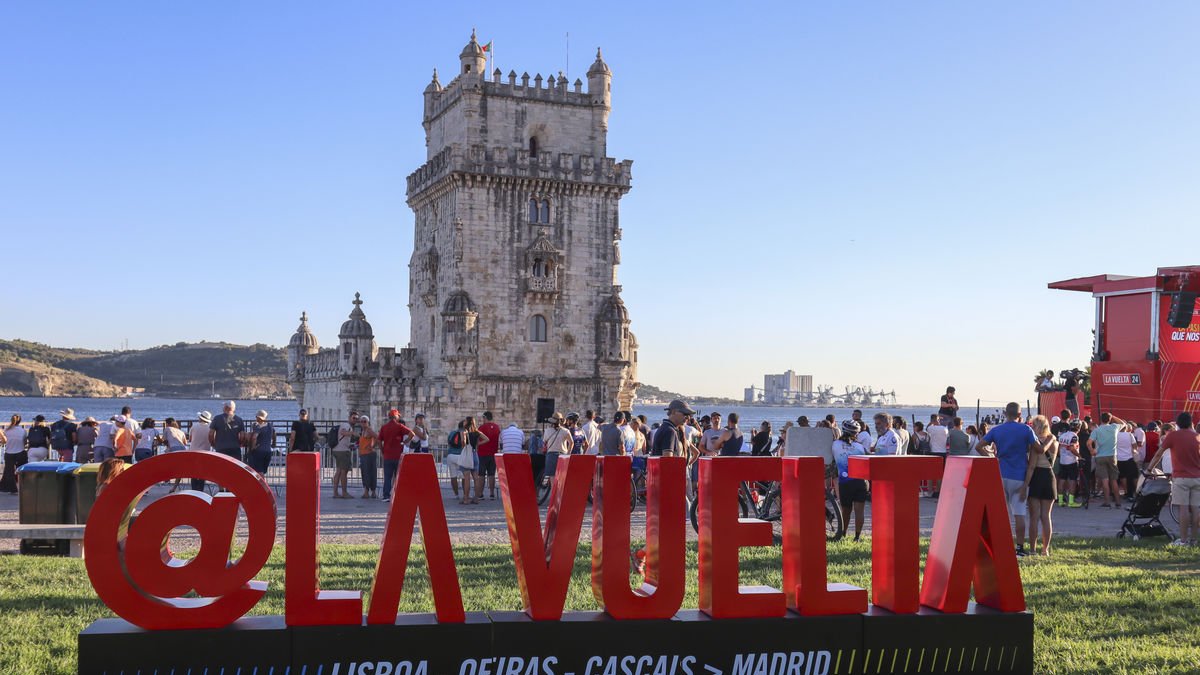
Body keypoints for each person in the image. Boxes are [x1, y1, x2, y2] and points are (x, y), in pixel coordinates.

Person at [983, 402, 1040, 557]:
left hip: (1001, 474)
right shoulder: (1025, 429)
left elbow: (979, 446)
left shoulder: (997, 430)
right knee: (1019, 513)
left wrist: (993, 459)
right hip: (1020, 476)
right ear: (1020, 415)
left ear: (1004, 413)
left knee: (999, 513)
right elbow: (1039, 448)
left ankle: (997, 545)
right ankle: (1020, 548)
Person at [1146, 412, 1200, 546]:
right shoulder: (1197, 437)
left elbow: (1159, 454)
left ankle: (1183, 540)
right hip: (1197, 477)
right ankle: (1194, 539)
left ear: (1178, 423)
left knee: (1183, 508)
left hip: (1181, 477)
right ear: (1190, 422)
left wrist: (1149, 469)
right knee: (1195, 508)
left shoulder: (1173, 436)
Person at [1025, 415, 1059, 556]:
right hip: (1049, 476)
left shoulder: (1036, 444)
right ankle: (1045, 549)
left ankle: (1033, 549)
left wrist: (1025, 485)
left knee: (1034, 516)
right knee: (1046, 516)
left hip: (1037, 476)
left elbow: (1031, 466)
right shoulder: (1054, 442)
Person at [833, 420, 869, 541]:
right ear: (856, 433)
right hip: (861, 482)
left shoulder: (835, 445)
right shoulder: (860, 447)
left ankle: (842, 534)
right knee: (860, 511)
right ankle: (857, 537)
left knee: (846, 510)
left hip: (845, 482)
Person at [1087, 412, 1125, 508]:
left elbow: (1088, 443)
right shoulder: (1114, 427)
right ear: (1110, 419)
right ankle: (1118, 502)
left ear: (1101, 419)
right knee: (1114, 480)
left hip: (1100, 456)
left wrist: (1092, 451)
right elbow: (1124, 424)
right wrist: (1113, 416)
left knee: (1104, 479)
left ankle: (1107, 502)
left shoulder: (1097, 430)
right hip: (1112, 456)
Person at [378, 409, 414, 502]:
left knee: (387, 477)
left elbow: (379, 440)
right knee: (398, 476)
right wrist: (404, 442)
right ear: (396, 416)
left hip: (387, 456)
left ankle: (386, 496)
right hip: (398, 456)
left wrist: (382, 451)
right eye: (398, 416)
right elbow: (412, 434)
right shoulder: (399, 426)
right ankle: (398, 495)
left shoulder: (384, 427)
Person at [330, 411, 360, 499]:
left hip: (337, 449)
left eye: (356, 419)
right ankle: (344, 492)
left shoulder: (346, 425)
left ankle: (335, 492)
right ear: (349, 418)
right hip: (342, 452)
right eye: (354, 418)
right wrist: (353, 433)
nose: (355, 420)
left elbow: (342, 437)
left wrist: (350, 444)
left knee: (338, 471)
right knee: (344, 472)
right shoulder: (346, 425)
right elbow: (343, 432)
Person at [461, 416, 490, 505]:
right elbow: (487, 439)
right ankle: (476, 498)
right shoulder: (477, 432)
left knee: (467, 478)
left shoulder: (464, 431)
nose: (464, 422)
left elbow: (463, 443)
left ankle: (466, 498)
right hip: (475, 454)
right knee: (476, 478)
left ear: (468, 422)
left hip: (467, 455)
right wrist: (478, 444)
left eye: (465, 420)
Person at [1056, 420, 1081, 507]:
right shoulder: (1074, 436)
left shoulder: (1062, 435)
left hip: (1063, 461)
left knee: (1062, 480)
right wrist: (1080, 456)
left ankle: (1060, 501)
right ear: (1078, 427)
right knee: (1072, 481)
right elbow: (1072, 448)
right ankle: (1071, 502)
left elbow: (1059, 448)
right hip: (1071, 461)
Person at [477, 411, 501, 500]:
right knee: (491, 475)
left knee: (481, 475)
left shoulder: (481, 428)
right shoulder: (497, 427)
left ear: (485, 417)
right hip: (493, 454)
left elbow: (478, 439)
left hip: (482, 454)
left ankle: (480, 494)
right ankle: (491, 494)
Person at [187, 411, 213, 493]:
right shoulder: (210, 428)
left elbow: (190, 439)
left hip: (193, 452)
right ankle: (200, 490)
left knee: (193, 472)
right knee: (202, 473)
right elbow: (212, 440)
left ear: (200, 418)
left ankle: (194, 490)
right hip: (205, 453)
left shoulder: (194, 427)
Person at [0, 415, 26, 493]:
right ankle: (24, 486)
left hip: (9, 453)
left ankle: (11, 489)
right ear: (20, 421)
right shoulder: (23, 430)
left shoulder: (7, 430)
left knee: (9, 472)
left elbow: (4, 441)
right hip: (20, 452)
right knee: (21, 471)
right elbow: (24, 442)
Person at [926, 414, 949, 497]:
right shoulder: (944, 429)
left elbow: (927, 428)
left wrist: (931, 422)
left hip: (933, 452)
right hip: (942, 452)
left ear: (932, 420)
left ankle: (930, 491)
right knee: (940, 473)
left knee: (930, 473)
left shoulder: (930, 428)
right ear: (938, 420)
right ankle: (938, 491)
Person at [1116, 422, 1139, 501]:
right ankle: (1134, 492)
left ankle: (1126, 492)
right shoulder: (1129, 435)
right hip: (1129, 458)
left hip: (1119, 458)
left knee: (1123, 476)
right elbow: (1135, 446)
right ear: (1125, 427)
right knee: (1133, 476)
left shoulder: (1115, 435)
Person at [247, 410, 274, 476]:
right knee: (263, 471)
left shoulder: (258, 426)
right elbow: (274, 434)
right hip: (268, 451)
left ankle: (262, 486)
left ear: (258, 417)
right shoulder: (270, 425)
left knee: (259, 471)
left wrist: (253, 447)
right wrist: (274, 444)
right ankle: (261, 485)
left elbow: (254, 437)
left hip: (259, 451)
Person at [357, 415, 378, 499]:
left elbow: (377, 437)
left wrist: (372, 446)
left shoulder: (369, 430)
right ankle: (369, 491)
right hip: (364, 454)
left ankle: (370, 491)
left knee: (369, 472)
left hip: (369, 454)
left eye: (364, 421)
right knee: (366, 473)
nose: (363, 423)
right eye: (361, 421)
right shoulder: (363, 431)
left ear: (368, 422)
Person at [444, 421, 466, 499]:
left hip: (450, 456)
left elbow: (449, 443)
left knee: (453, 476)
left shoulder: (452, 433)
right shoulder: (464, 433)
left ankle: (456, 495)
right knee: (464, 476)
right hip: (460, 456)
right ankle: (465, 494)